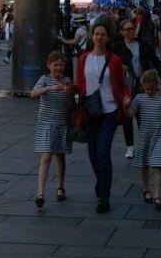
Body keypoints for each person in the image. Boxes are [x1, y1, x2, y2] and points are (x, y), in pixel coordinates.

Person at [73, 23, 131, 214]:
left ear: (108, 38)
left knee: (103, 152)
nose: (99, 37)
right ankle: (101, 180)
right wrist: (68, 88)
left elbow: (122, 84)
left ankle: (105, 197)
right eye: (96, 34)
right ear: (92, 37)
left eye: (103, 34)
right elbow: (80, 84)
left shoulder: (114, 60)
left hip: (109, 111)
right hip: (90, 111)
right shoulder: (83, 59)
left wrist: (126, 97)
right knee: (92, 153)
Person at [127, 68, 161, 210]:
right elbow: (130, 114)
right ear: (142, 86)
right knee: (144, 165)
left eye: (151, 89)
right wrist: (125, 106)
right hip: (144, 137)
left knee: (158, 165)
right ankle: (146, 189)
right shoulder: (139, 98)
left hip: (159, 137)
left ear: (157, 85)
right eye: (146, 89)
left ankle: (157, 196)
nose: (149, 92)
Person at [31, 50, 74, 207]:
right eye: (55, 65)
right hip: (47, 124)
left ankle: (60, 187)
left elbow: (72, 103)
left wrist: (69, 93)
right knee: (46, 156)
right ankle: (40, 193)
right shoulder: (44, 79)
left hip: (62, 123)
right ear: (49, 65)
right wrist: (51, 88)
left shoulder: (67, 81)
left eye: (61, 65)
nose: (58, 68)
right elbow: (33, 93)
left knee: (60, 157)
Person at [116, 20, 142, 159]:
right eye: (128, 29)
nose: (131, 31)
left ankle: (144, 144)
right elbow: (110, 62)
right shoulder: (118, 47)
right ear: (121, 32)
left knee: (142, 115)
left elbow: (152, 58)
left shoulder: (141, 44)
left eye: (132, 28)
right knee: (127, 116)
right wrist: (120, 66)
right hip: (125, 85)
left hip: (140, 83)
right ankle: (130, 147)